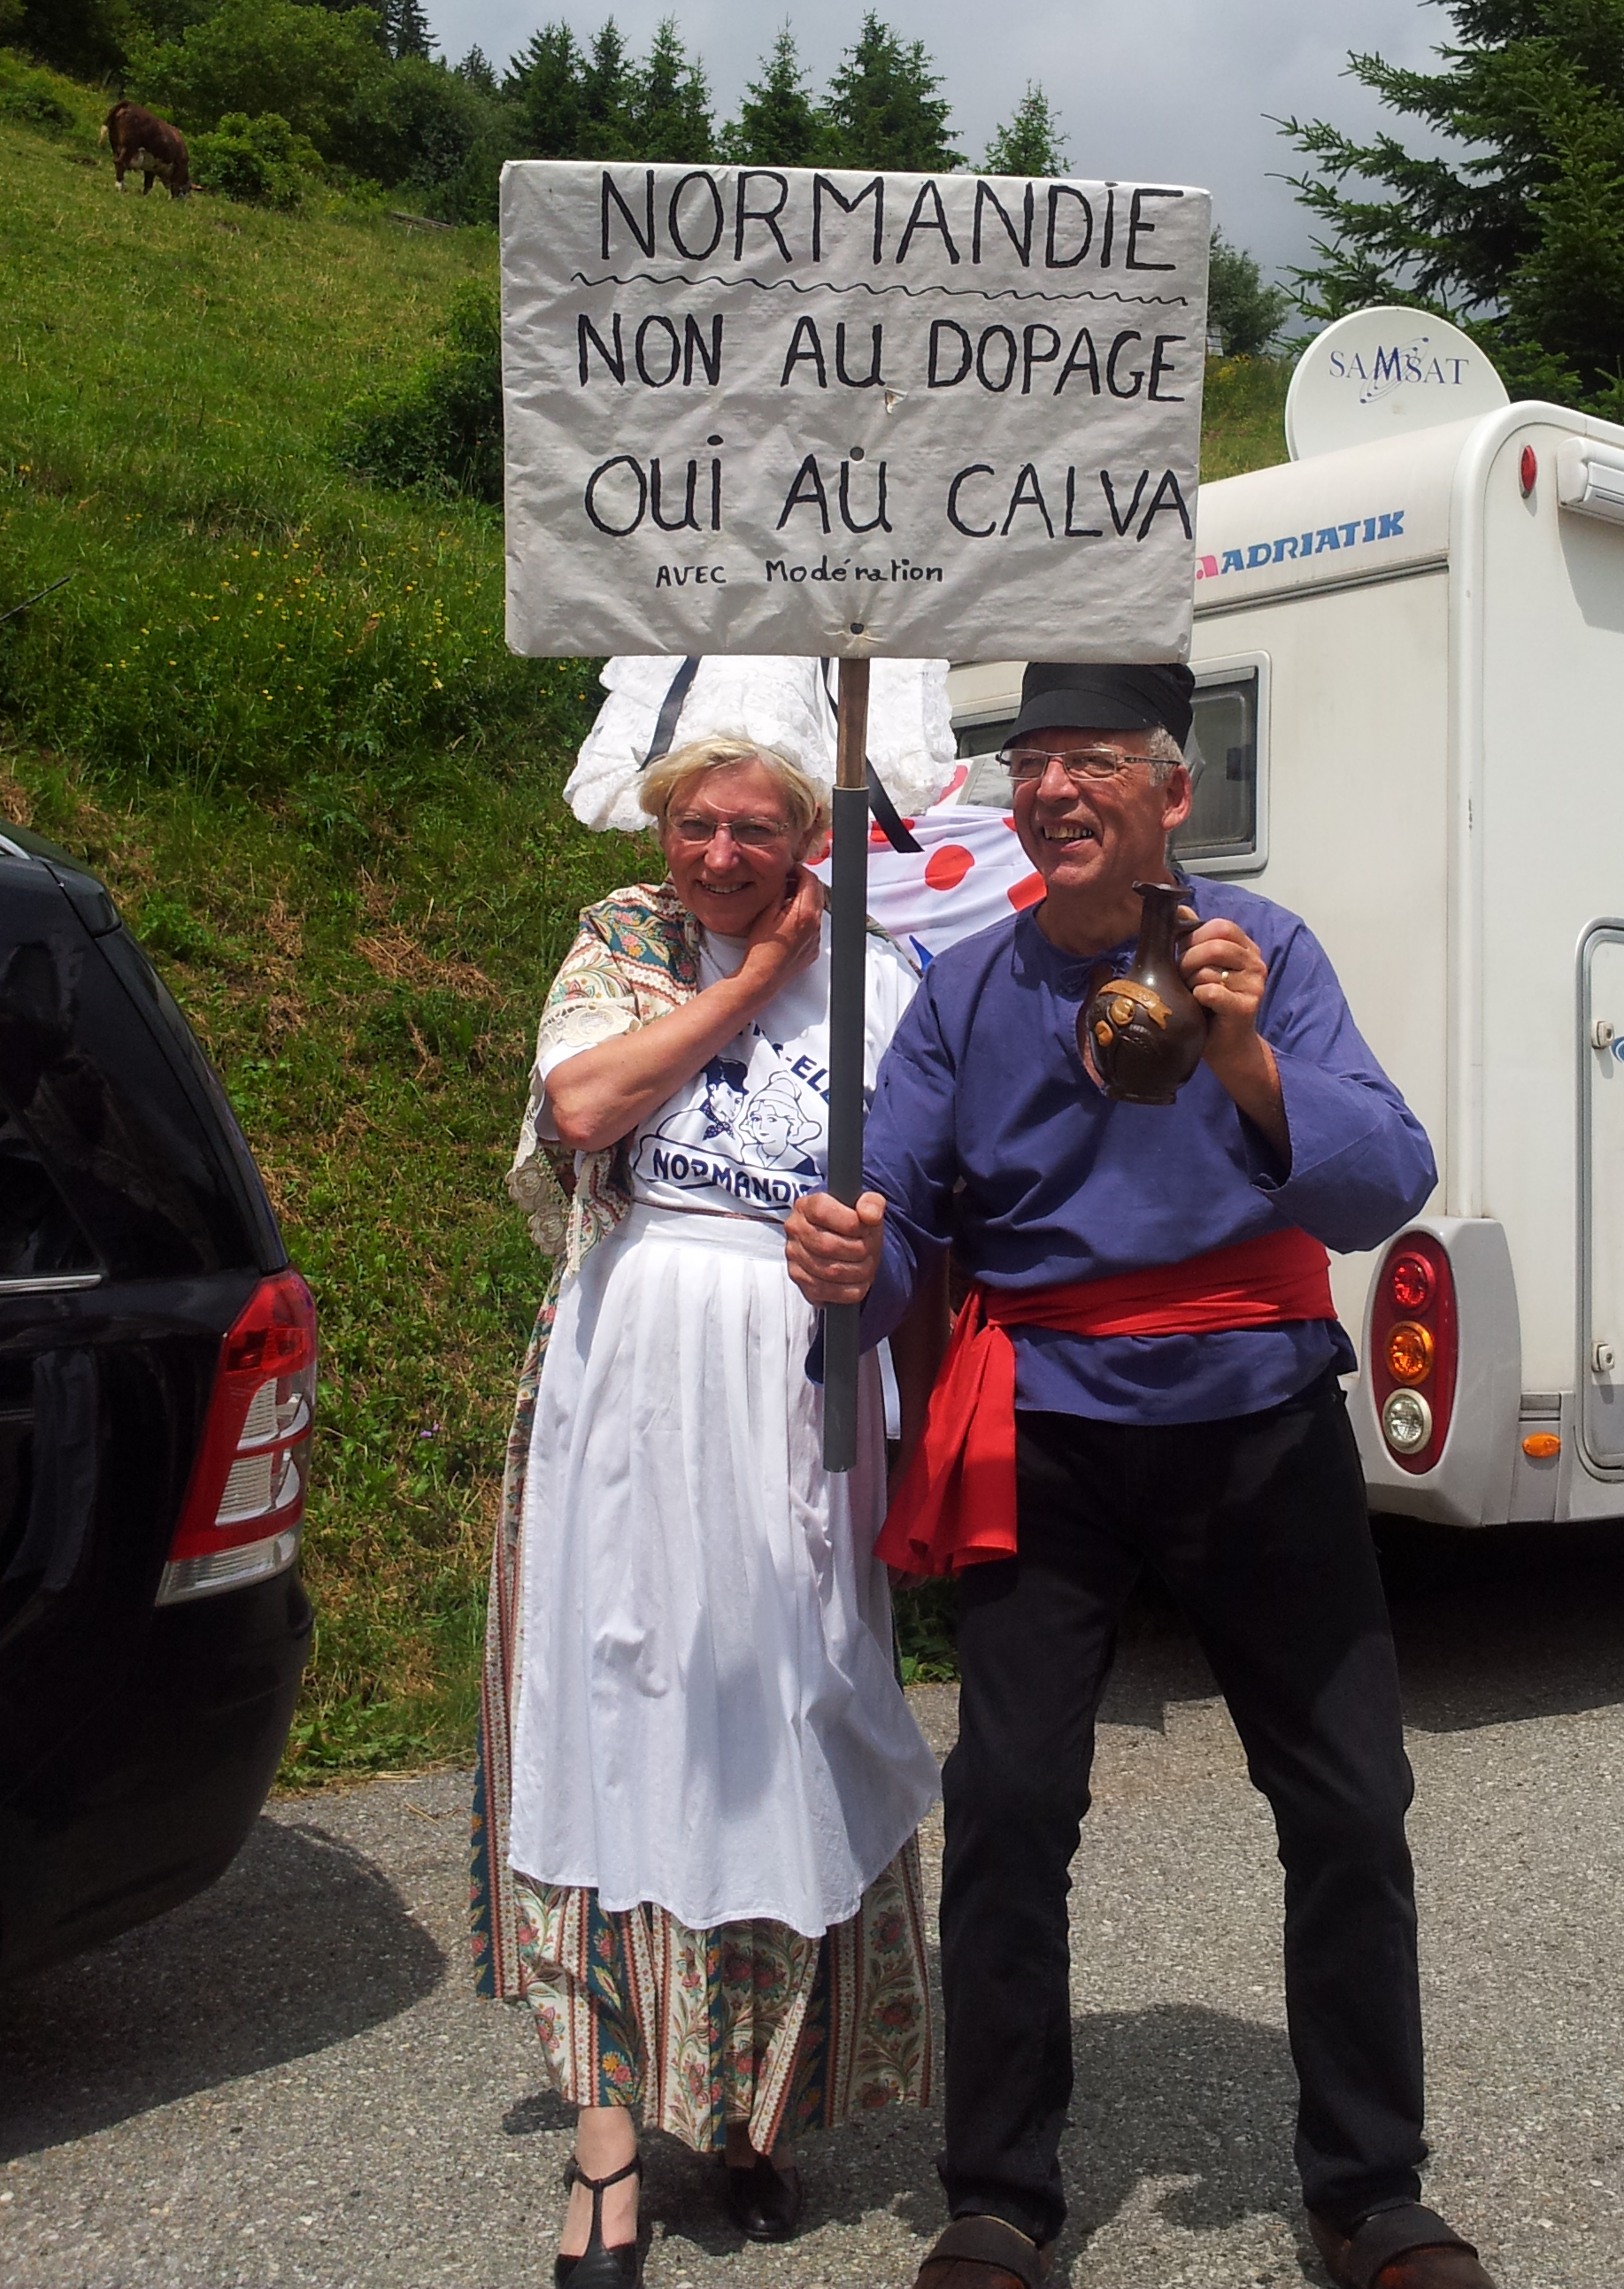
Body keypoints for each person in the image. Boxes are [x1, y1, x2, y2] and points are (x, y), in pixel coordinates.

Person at [786, 663, 1498, 2289]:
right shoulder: (968, 990)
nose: (1049, 789)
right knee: (1010, 1802)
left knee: (1349, 1799)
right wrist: (851, 1261)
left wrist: (1249, 1060)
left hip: (1257, 1411)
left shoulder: (1265, 952)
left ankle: (1369, 2188)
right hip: (1048, 1419)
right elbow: (899, 1221)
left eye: (1090, 760)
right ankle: (998, 2195)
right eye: (1028, 761)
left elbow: (1384, 1180)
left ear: (1172, 792)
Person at [473, 733, 943, 2288]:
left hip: (795, 1381)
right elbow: (587, 1104)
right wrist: (754, 982)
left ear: (809, 839)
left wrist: (881, 1260)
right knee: (610, 1721)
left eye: (754, 829)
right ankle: (607, 2154)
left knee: (785, 1724)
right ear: (662, 832)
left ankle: (754, 2110)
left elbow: (932, 1192)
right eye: (694, 824)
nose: (720, 854)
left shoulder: (886, 975)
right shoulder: (629, 938)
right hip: (632, 1370)